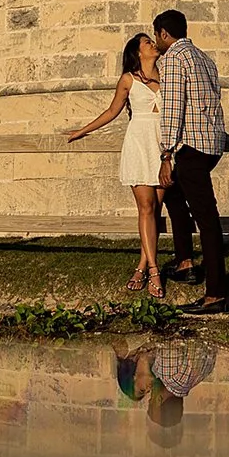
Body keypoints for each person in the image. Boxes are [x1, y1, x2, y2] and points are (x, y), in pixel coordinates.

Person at [65, 33, 166, 298]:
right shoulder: (128, 80)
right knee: (145, 207)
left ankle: (142, 265)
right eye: (147, 42)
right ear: (137, 51)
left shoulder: (167, 77)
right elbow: (112, 112)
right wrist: (82, 131)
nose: (152, 44)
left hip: (163, 145)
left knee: (156, 208)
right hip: (139, 143)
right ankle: (154, 270)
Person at [153, 8, 229, 315]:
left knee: (208, 221)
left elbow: (173, 107)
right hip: (211, 145)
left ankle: (216, 294)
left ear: (164, 34)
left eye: (156, 34)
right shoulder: (204, 58)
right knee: (172, 192)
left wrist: (166, 154)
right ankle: (184, 262)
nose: (156, 40)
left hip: (192, 147)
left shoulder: (172, 59)